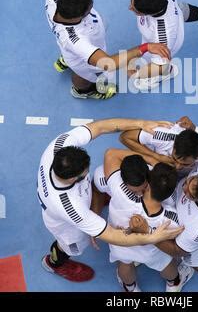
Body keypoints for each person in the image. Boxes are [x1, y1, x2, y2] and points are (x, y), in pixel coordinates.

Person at [37, 118, 183, 282]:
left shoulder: (60, 145)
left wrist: (141, 124)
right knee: (70, 247)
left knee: (97, 188)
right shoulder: (71, 208)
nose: (89, 172)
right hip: (68, 226)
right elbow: (111, 234)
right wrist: (150, 237)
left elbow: (99, 127)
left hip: (81, 200)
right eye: (85, 173)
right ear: (73, 179)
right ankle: (54, 264)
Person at [102, 148, 193, 292]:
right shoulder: (172, 217)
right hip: (151, 252)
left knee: (124, 263)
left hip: (120, 242)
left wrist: (151, 158)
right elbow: (181, 238)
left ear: (149, 183)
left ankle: (130, 288)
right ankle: (174, 283)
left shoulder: (118, 186)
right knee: (166, 264)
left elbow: (110, 153)